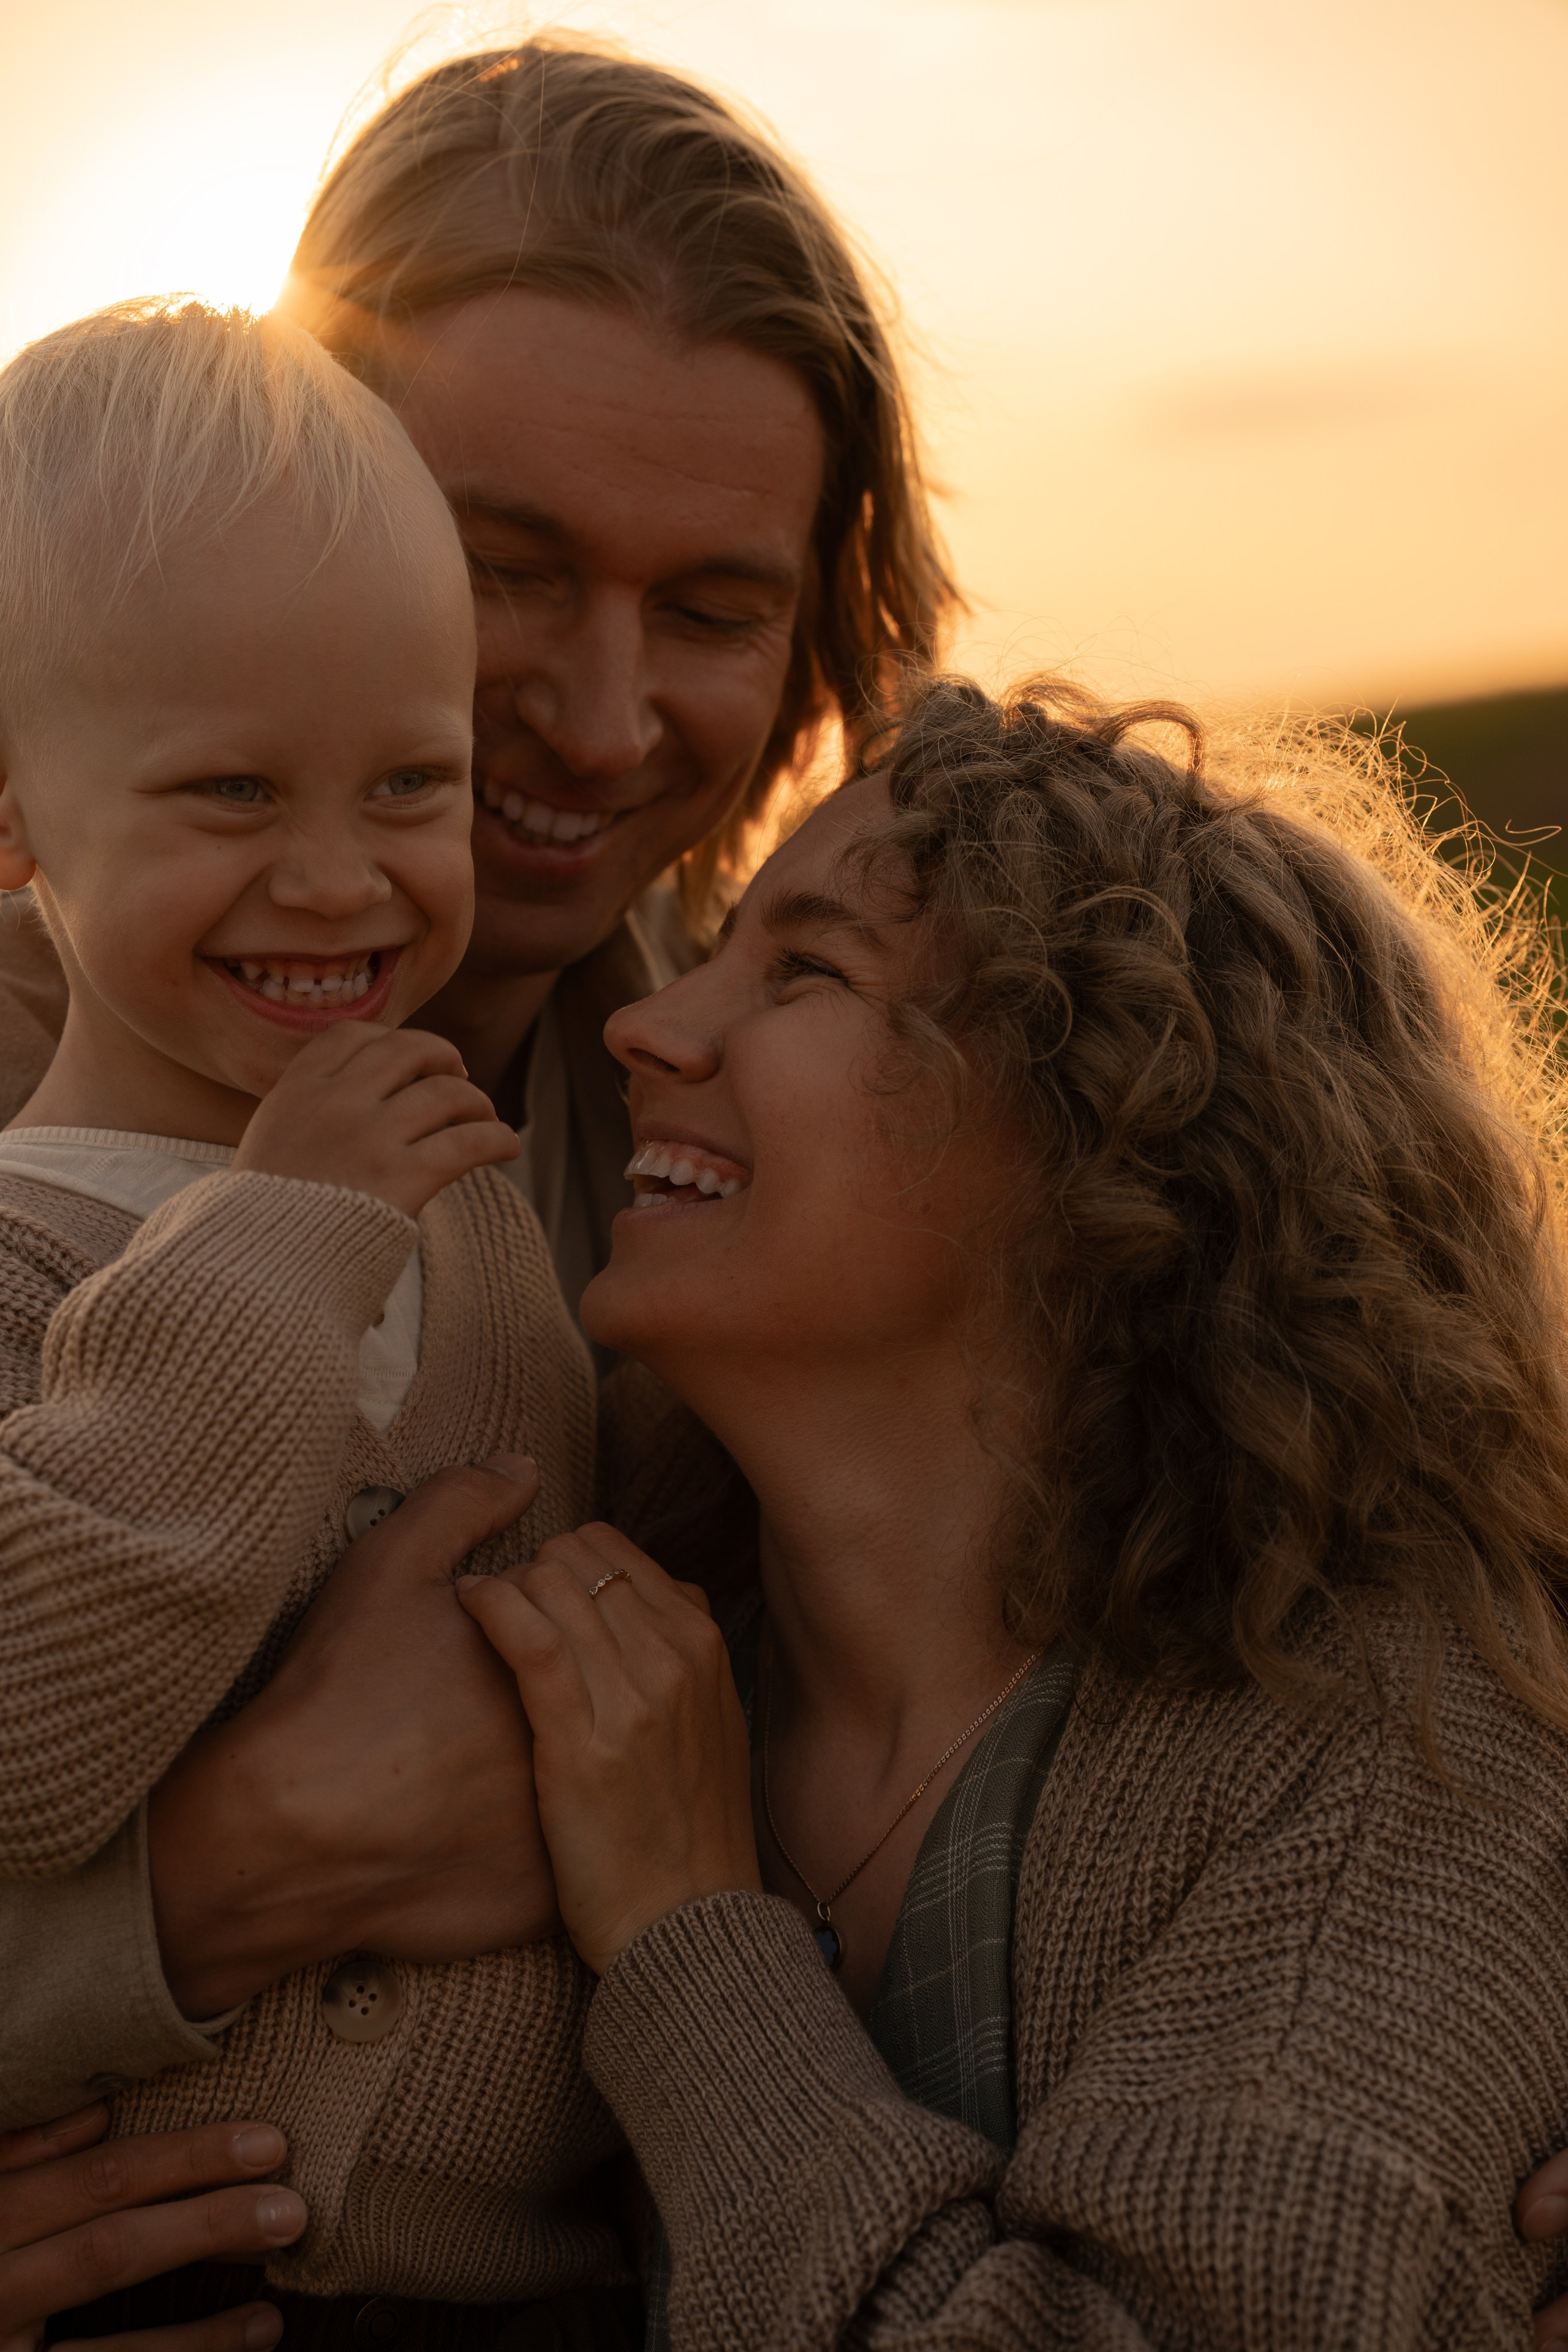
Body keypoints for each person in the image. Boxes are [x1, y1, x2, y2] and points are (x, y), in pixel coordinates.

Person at [0, 13, 949, 2205]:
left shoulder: (820, 1132)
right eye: (505, 562)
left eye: (712, 607)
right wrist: (203, 1885)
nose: (604, 716)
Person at [458, 677, 1568, 2345]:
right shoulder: (592, 1613)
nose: (653, 1032)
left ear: (1110, 1129)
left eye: (808, 973)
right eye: (720, 957)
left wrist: (694, 1945)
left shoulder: (1392, 1744)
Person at [0, 298, 632, 2331]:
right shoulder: (24, 1257)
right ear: (14, 827)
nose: (343, 879)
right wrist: (280, 1239)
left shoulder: (489, 1228)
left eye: (408, 783)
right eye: (231, 797)